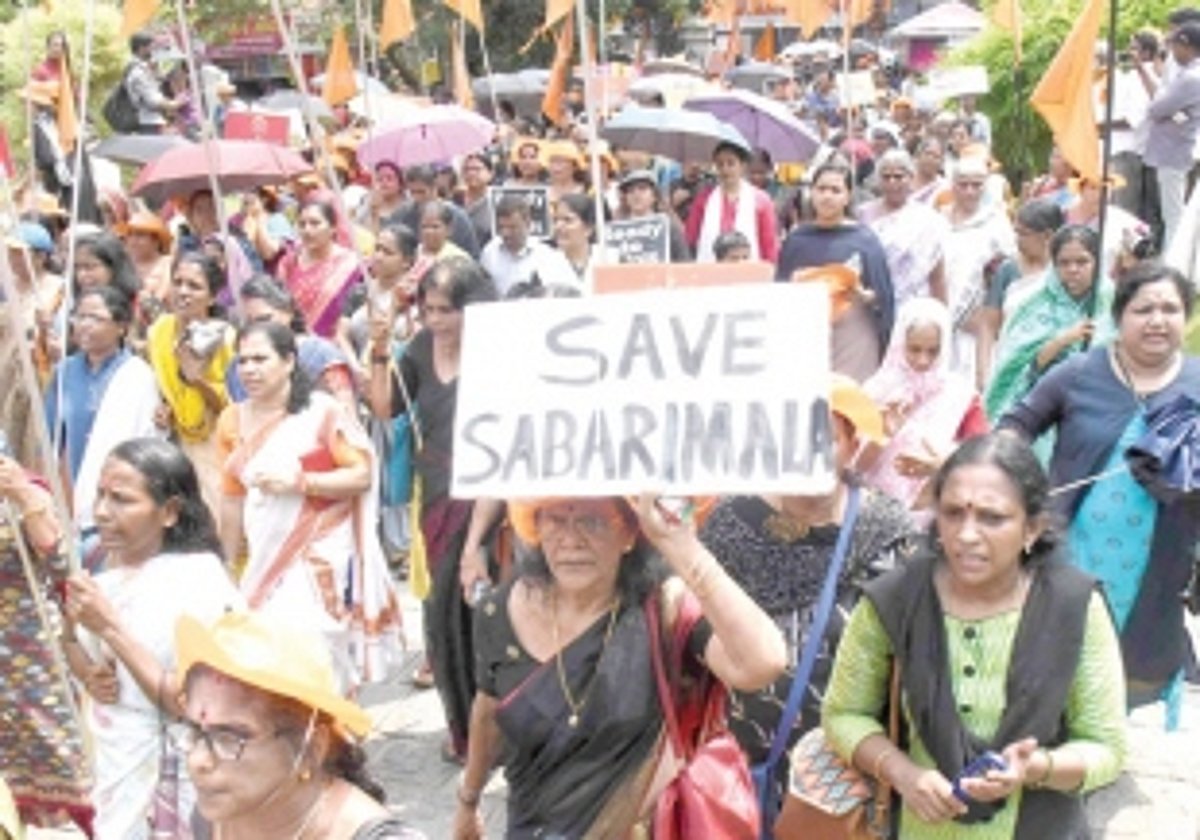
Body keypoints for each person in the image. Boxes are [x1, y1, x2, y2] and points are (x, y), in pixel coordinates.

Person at [823, 433, 1126, 838]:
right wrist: (905, 775)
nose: (966, 534)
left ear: (1032, 529)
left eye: (992, 517)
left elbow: (1107, 746)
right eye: (952, 513)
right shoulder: (895, 599)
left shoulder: (1074, 607)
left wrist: (1036, 768)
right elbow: (843, 714)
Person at [455, 494, 787, 839]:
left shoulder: (664, 612)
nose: (571, 540)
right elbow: (487, 710)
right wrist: (468, 800)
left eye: (592, 522)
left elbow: (763, 662)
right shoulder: (498, 612)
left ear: (630, 533)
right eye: (555, 520)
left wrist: (685, 552)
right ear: (535, 528)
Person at [999, 262, 1200, 728]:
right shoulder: (1081, 372)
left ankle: (1098, 747)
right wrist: (1001, 479)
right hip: (1073, 551)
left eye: (1170, 309)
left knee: (1129, 668)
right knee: (1055, 652)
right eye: (1143, 308)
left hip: (1161, 561)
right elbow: (1017, 425)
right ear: (1119, 314)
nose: (1157, 320)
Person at [697, 376, 915, 796]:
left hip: (841, 777)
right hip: (728, 770)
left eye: (825, 438)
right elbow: (692, 631)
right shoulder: (730, 524)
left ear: (852, 446)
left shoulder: (887, 534)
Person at [62, 438, 242, 839]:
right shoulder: (103, 579)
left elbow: (190, 703)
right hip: (115, 768)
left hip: (177, 776)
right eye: (101, 496)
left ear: (169, 512)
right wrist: (86, 664)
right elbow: (83, 661)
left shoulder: (201, 583)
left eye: (122, 500)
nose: (103, 513)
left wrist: (110, 628)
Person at [217, 322, 402, 689]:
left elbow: (362, 475)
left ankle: (334, 736)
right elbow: (232, 499)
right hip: (265, 555)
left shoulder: (321, 413)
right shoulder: (231, 421)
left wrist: (301, 482)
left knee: (315, 651)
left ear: (288, 362)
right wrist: (226, 565)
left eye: (260, 359)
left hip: (318, 557)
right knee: (272, 659)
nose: (249, 369)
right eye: (242, 361)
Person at [368, 258, 498, 761]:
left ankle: (495, 724)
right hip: (437, 491)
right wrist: (381, 351)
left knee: (481, 610)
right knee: (440, 614)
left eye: (447, 310)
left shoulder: (493, 356)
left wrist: (476, 543)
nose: (436, 320)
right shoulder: (419, 349)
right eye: (428, 309)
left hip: (487, 498)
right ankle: (460, 724)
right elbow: (384, 407)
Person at [173, 611, 424, 839]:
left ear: (312, 748)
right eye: (195, 732)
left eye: (229, 738)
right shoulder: (215, 819)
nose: (197, 761)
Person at [0, 454, 92, 833]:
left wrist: (25, 497)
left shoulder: (23, 491)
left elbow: (64, 569)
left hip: (26, 662)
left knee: (55, 754)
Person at [45, 286, 159, 557]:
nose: (84, 325)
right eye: (80, 317)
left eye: (95, 318)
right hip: (74, 496)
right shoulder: (65, 371)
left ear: (121, 326)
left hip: (122, 497)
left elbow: (145, 443)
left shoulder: (137, 376)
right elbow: (50, 441)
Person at [862, 298, 988, 521]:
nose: (923, 360)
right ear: (900, 343)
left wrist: (943, 463)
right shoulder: (875, 392)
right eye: (914, 349)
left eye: (933, 351)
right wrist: (882, 434)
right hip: (871, 513)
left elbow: (982, 457)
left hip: (933, 514)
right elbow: (850, 467)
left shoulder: (960, 396)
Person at [777, 160, 896, 381]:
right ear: (811, 193)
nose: (827, 196)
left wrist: (866, 296)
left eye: (835, 190)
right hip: (807, 334)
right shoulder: (796, 240)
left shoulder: (864, 241)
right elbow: (780, 293)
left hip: (853, 336)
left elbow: (883, 298)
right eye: (821, 189)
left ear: (848, 196)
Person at [985, 226, 1114, 423]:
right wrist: (1063, 340)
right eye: (1064, 263)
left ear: (1097, 262)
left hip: (1098, 413)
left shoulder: (1112, 302)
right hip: (1044, 416)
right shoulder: (1034, 304)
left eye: (1082, 262)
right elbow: (1018, 370)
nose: (1073, 270)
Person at [146, 252, 235, 518]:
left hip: (217, 445)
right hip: (177, 443)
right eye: (178, 282)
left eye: (194, 286)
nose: (183, 292)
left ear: (212, 296)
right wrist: (166, 409)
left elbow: (232, 407)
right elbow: (166, 387)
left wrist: (198, 381)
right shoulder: (160, 331)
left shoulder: (225, 338)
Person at [941, 155, 1017, 386]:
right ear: (953, 185)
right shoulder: (939, 219)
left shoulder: (996, 223)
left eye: (977, 185)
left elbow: (1009, 274)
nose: (970, 191)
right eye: (963, 184)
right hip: (941, 317)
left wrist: (989, 315)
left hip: (975, 324)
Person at [232, 275, 356, 409]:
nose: (259, 329)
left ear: (288, 312)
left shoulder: (321, 354)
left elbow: (346, 416)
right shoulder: (237, 367)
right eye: (251, 323)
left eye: (265, 319)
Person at [977, 200, 1065, 385]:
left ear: (1047, 236)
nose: (1017, 240)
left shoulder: (1065, 273)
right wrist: (983, 373)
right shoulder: (1007, 270)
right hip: (1009, 369)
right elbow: (988, 325)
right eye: (1016, 232)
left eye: (1023, 234)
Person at [858, 149, 948, 307]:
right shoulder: (863, 213)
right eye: (886, 177)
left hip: (915, 307)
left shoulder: (927, 219)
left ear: (911, 178)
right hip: (874, 304)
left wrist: (942, 316)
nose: (892, 182)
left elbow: (937, 276)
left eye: (899, 176)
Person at [1140, 21, 1200, 249]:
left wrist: (1165, 106)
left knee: (1173, 214)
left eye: (1174, 45)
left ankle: (1174, 263)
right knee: (1176, 211)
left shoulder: (1190, 77)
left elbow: (1156, 109)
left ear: (1186, 45)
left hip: (1174, 151)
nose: (1172, 52)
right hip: (1180, 148)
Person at [276, 198, 364, 340]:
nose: (307, 230)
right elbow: (278, 306)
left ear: (333, 228)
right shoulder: (288, 263)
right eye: (302, 224)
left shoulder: (352, 265)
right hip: (293, 342)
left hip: (336, 347)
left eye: (315, 223)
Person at [686, 140, 780, 263]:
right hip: (711, 271)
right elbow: (690, 237)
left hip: (750, 273)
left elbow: (769, 246)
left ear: (742, 166)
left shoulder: (761, 201)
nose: (725, 169)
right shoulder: (704, 200)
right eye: (720, 164)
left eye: (731, 163)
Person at [478, 194, 565, 295]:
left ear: (527, 224)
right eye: (501, 227)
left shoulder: (546, 257)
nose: (506, 233)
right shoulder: (490, 253)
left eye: (512, 227)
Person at [394, 165, 480, 258]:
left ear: (434, 188)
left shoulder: (458, 217)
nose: (417, 198)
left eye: (421, 192)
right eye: (412, 192)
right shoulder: (403, 214)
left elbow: (472, 255)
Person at [617, 169, 692, 262]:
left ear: (654, 196)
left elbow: (684, 262)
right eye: (630, 190)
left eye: (642, 188)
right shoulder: (617, 232)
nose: (636, 194)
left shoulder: (669, 228)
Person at [120, 210, 174, 323]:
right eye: (130, 235)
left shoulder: (170, 264)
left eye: (140, 235)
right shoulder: (122, 265)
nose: (133, 241)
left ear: (157, 240)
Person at [125, 32, 182, 135]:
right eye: (151, 47)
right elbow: (153, 100)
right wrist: (175, 104)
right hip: (149, 123)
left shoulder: (143, 69)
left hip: (152, 121)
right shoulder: (138, 72)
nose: (153, 51)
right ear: (141, 48)